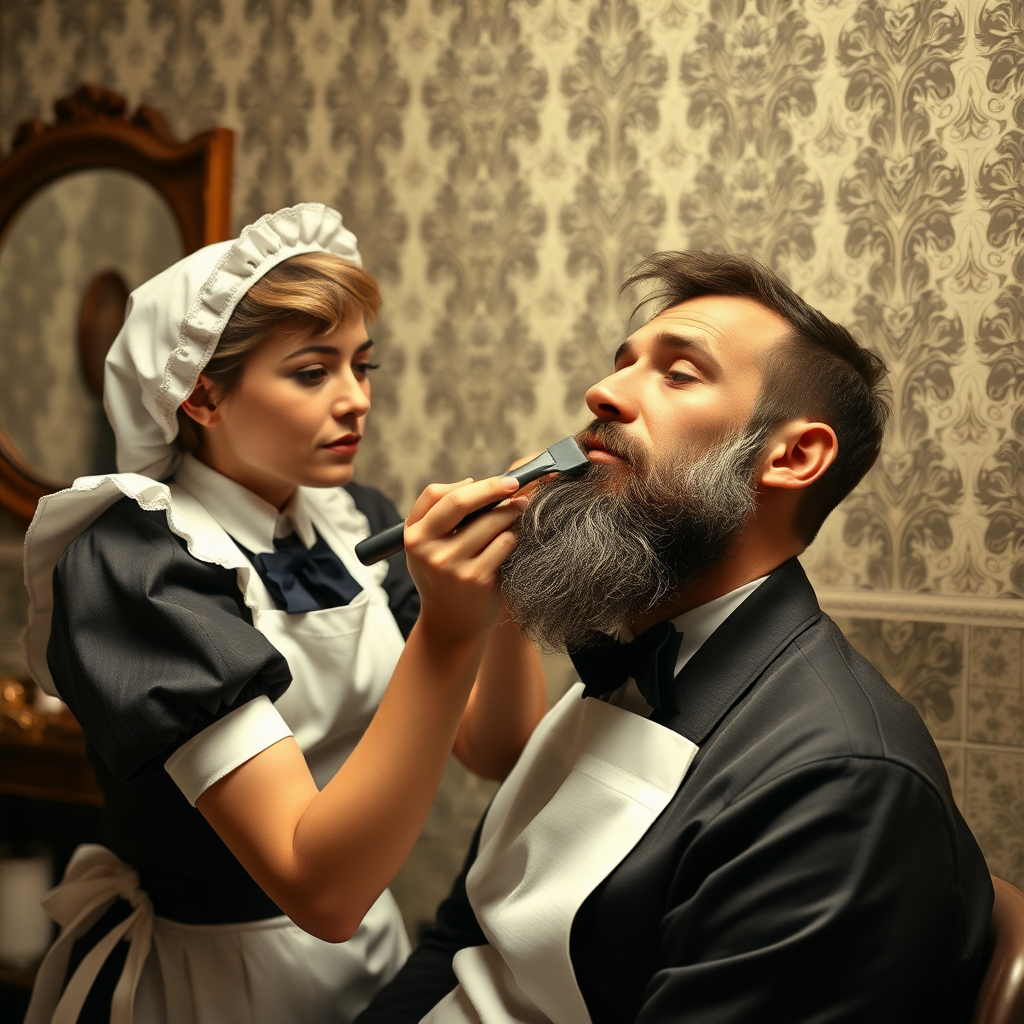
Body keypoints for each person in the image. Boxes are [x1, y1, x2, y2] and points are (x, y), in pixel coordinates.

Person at [356, 251, 994, 1024]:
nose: (602, 392)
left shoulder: (845, 783)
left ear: (792, 456)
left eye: (678, 373)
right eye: (622, 364)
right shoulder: (623, 658)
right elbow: (464, 938)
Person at [21, 203, 547, 1024]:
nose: (355, 401)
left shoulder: (351, 523)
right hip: (211, 977)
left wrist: (503, 593)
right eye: (312, 372)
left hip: (368, 958)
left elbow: (496, 746)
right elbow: (319, 888)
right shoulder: (138, 565)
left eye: (361, 366)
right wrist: (446, 628)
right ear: (201, 397)